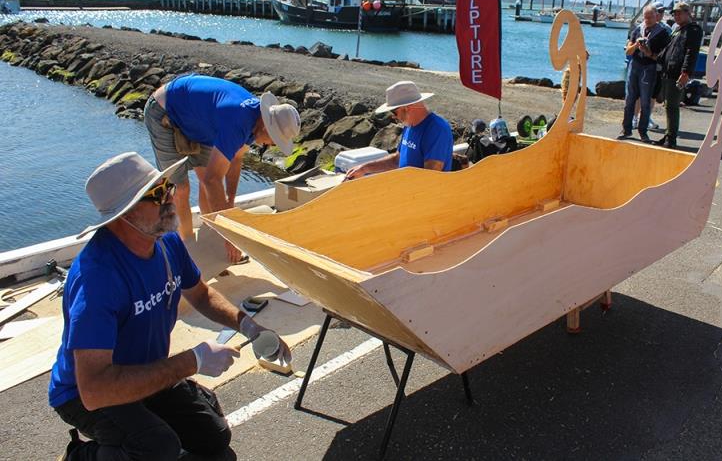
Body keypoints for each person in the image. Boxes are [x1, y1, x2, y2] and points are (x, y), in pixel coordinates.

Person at [49, 152, 289, 460]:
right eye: (157, 194)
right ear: (125, 214)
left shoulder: (164, 240)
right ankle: (81, 456)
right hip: (86, 393)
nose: (171, 198)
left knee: (213, 436)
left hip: (143, 371)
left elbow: (201, 294)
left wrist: (249, 326)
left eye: (168, 186)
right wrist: (193, 361)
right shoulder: (98, 278)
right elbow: (95, 390)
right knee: (157, 448)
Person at [145, 74, 300, 261]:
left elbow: (235, 159)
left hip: (199, 121)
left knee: (205, 182)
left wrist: (230, 203)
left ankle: (215, 247)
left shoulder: (254, 121)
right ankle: (189, 253)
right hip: (165, 111)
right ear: (267, 127)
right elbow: (214, 180)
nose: (273, 146)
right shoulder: (237, 121)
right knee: (181, 189)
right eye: (275, 140)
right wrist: (230, 236)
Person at [345, 81, 452, 180]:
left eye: (394, 112)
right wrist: (364, 168)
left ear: (407, 108)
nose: (393, 117)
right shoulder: (410, 124)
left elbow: (430, 176)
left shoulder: (437, 129)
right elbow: (397, 160)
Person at [653, 1, 703, 149]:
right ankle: (669, 135)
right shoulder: (678, 30)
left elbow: (691, 52)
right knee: (668, 105)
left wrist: (686, 72)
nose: (676, 16)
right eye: (674, 13)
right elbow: (668, 50)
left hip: (677, 73)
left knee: (672, 106)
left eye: (679, 13)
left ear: (688, 13)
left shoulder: (692, 30)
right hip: (668, 71)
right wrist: (652, 55)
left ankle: (671, 139)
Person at [618, 4, 670, 143]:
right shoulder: (637, 30)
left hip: (649, 68)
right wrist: (636, 45)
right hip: (634, 66)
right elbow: (628, 51)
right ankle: (626, 129)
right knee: (629, 99)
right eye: (646, 17)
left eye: (651, 17)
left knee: (645, 101)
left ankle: (643, 131)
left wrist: (648, 52)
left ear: (656, 17)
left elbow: (662, 57)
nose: (648, 20)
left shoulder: (663, 33)